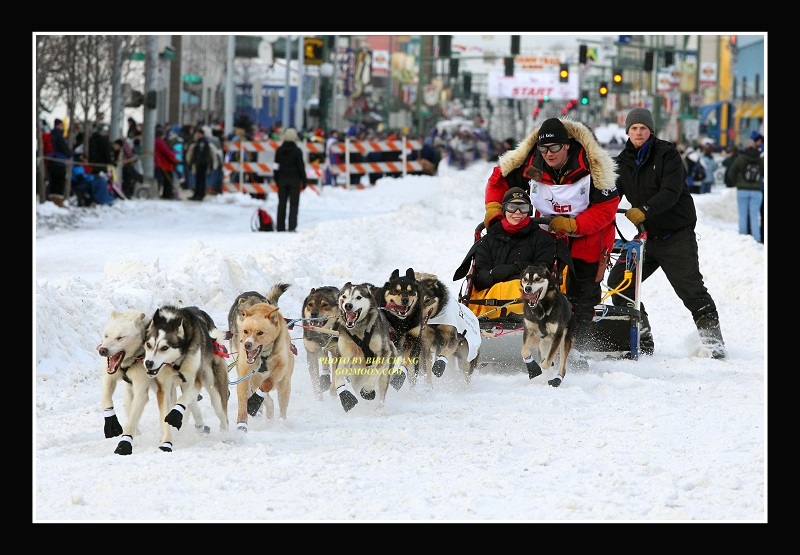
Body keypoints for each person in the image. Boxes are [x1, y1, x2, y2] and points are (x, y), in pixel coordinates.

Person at [482, 117, 620, 359]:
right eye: (543, 148)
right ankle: (539, 336)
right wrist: (494, 208)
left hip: (588, 240)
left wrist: (573, 224)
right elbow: (498, 181)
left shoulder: (592, 165)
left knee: (581, 295)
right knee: (543, 287)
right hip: (546, 238)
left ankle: (576, 348)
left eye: (554, 147)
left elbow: (606, 209)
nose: (548, 154)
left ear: (567, 145)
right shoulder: (529, 164)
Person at [610, 107, 726, 359]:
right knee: (618, 283)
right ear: (627, 131)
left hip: (676, 236)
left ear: (650, 130)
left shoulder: (667, 154)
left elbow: (671, 192)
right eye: (634, 128)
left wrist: (644, 210)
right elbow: (611, 195)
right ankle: (641, 338)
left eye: (643, 128)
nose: (638, 132)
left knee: (691, 290)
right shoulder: (621, 162)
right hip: (646, 239)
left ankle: (714, 344)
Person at [454, 187, 555, 320]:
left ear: (529, 210)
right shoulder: (488, 240)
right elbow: (479, 278)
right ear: (504, 210)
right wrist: (493, 275)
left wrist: (512, 269)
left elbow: (542, 272)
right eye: (512, 207)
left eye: (523, 207)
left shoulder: (542, 239)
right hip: (490, 302)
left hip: (527, 299)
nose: (517, 212)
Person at [729, 138, 764, 243]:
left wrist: (737, 183)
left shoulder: (741, 158)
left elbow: (731, 172)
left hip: (742, 190)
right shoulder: (759, 159)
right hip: (757, 191)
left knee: (743, 214)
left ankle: (743, 238)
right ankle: (756, 239)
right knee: (754, 215)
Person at [273, 127, 307, 232]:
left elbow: (275, 166)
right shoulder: (297, 151)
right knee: (294, 204)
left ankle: (280, 226)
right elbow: (301, 167)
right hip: (294, 181)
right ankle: (292, 226)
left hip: (282, 180)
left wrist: (276, 179)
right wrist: (304, 180)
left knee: (281, 204)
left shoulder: (279, 150)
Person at [48, 118, 72, 207]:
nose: (63, 127)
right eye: (62, 125)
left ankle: (53, 200)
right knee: (59, 182)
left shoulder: (52, 134)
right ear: (58, 125)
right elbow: (63, 146)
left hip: (53, 160)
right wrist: (69, 154)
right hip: (59, 161)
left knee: (54, 182)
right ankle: (58, 202)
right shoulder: (58, 135)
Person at [185, 127, 214, 201]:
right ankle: (196, 193)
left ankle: (200, 194)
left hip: (202, 164)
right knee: (197, 179)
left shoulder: (203, 143)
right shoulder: (198, 142)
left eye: (199, 134)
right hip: (198, 163)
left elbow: (203, 154)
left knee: (201, 180)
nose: (197, 135)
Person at [154, 127, 179, 200]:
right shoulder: (159, 142)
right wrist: (174, 157)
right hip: (163, 163)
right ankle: (167, 194)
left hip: (158, 163)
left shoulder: (154, 141)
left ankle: (165, 193)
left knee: (161, 179)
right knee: (168, 180)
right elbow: (166, 152)